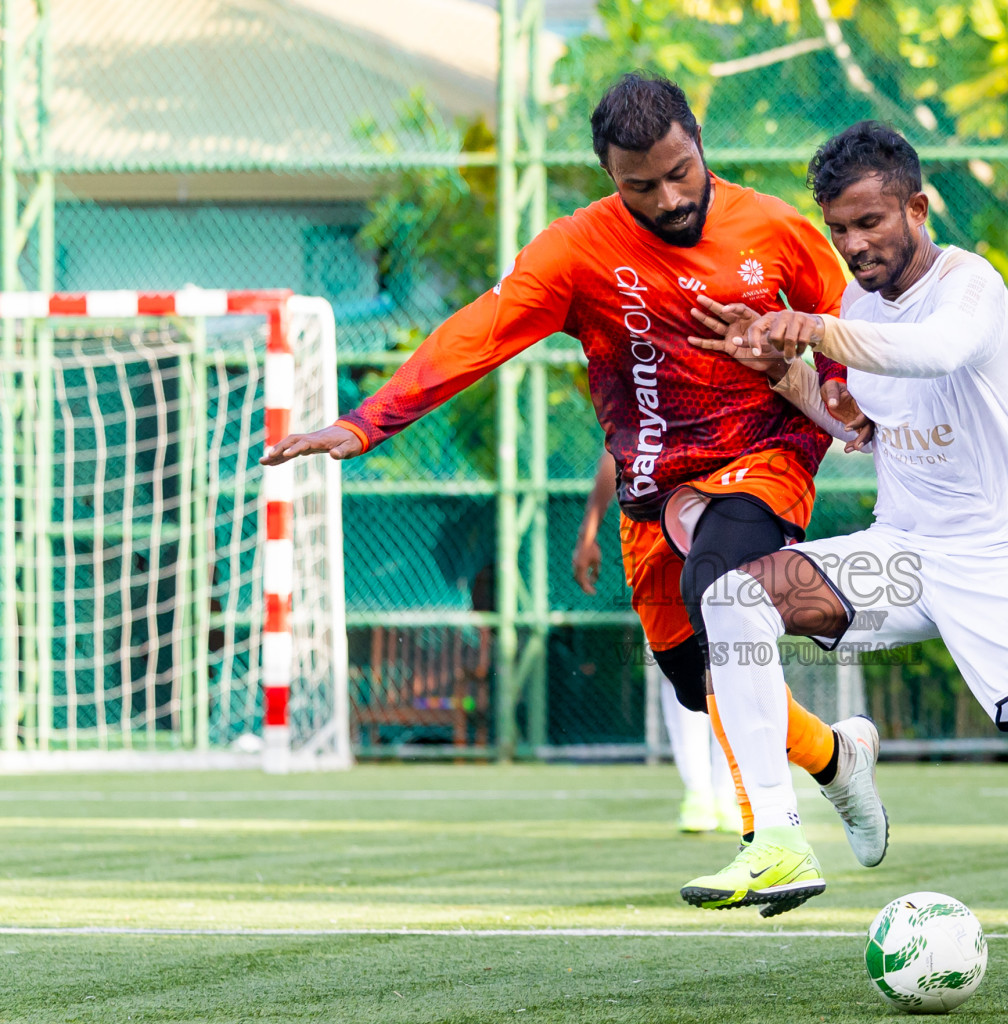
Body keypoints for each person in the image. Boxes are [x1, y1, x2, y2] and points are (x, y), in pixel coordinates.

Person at [259, 72, 888, 875]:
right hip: (652, 489)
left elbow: (852, 330)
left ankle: (773, 839)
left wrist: (838, 396)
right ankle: (837, 758)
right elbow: (477, 333)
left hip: (763, 460)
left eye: (679, 173)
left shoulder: (773, 229)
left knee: (722, 590)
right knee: (702, 687)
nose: (666, 198)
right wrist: (367, 421)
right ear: (609, 177)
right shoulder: (578, 249)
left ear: (700, 145)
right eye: (641, 185)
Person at [683, 121, 1008, 1005]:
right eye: (840, 230)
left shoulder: (973, 287)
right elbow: (857, 429)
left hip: (1004, 561)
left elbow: (927, 353)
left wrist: (805, 325)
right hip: (907, 556)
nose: (856, 246)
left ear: (916, 207)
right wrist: (783, 374)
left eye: (872, 223)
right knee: (733, 598)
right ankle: (776, 834)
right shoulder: (853, 310)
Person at [572, 451, 740, 834]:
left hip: (721, 516)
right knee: (678, 664)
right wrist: (588, 532)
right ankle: (699, 790)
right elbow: (613, 453)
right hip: (654, 532)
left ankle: (729, 790)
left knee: (733, 656)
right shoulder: (636, 397)